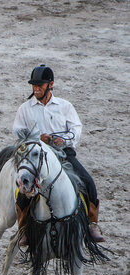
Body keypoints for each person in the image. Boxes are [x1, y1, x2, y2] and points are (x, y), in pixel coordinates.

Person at [13, 64, 105, 245]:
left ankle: (93, 224)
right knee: (23, 189)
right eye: (34, 85)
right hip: (38, 155)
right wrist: (37, 137)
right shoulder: (25, 108)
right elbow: (17, 130)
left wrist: (62, 140)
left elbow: (76, 129)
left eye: (40, 85)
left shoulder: (65, 106)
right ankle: (23, 228)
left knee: (87, 181)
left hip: (63, 154)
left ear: (50, 84)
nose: (36, 89)